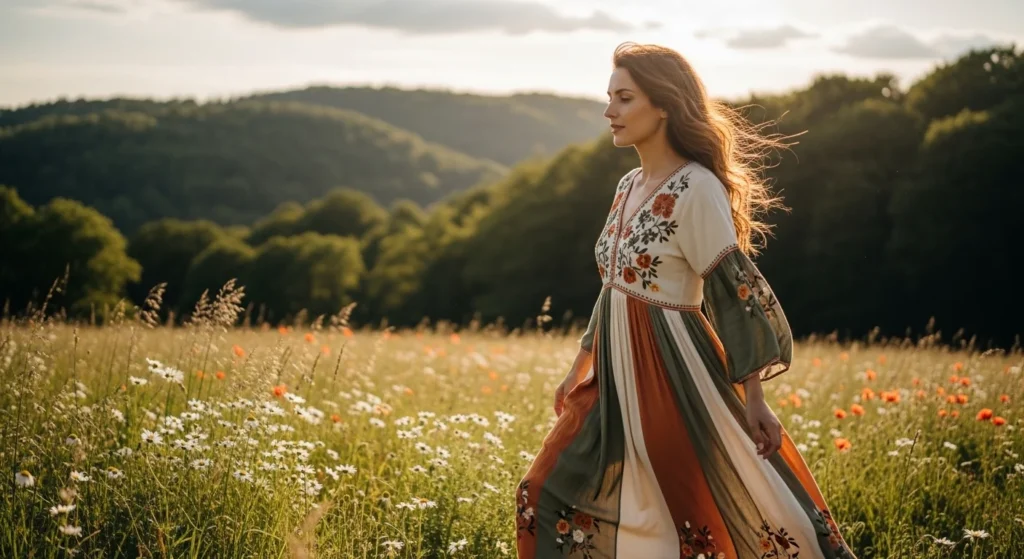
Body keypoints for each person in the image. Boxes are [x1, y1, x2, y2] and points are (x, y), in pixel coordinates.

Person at [514, 42, 858, 559]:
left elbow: (733, 292)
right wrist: (579, 364)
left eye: (624, 98)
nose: (609, 111)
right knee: (541, 494)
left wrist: (755, 398)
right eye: (609, 97)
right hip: (614, 375)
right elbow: (613, 284)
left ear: (665, 105)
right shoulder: (629, 184)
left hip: (672, 374)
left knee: (692, 520)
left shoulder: (698, 188)